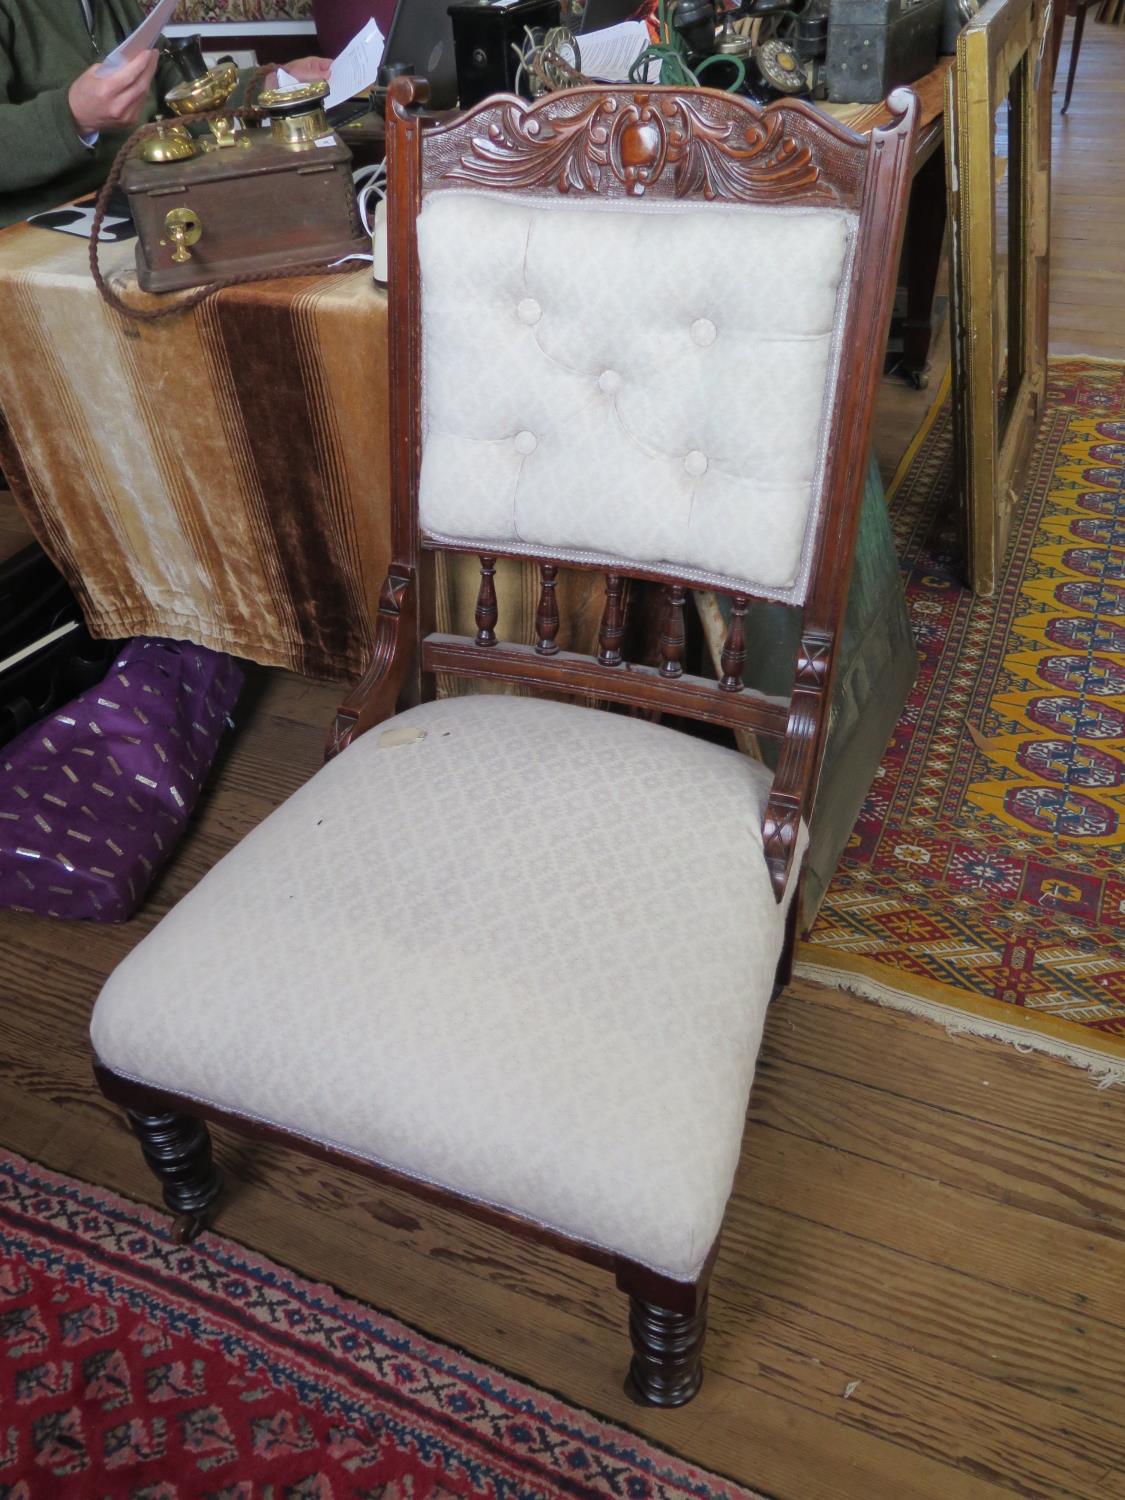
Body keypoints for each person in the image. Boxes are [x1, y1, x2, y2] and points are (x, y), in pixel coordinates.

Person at [0, 1, 331, 228]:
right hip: (39, 232)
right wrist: (73, 116)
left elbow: (171, 88)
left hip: (139, 196)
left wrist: (271, 83)